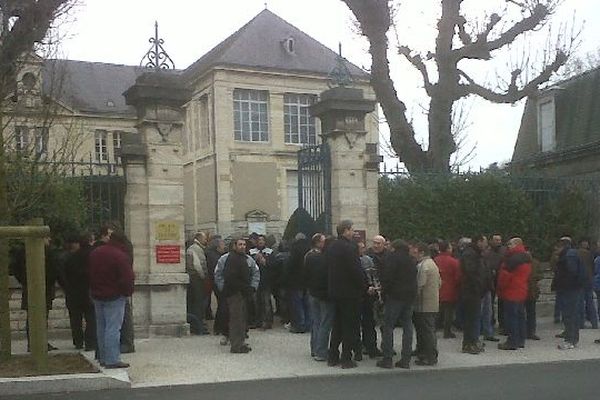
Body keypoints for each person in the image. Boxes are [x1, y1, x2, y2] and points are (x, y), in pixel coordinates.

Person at [89, 229, 135, 368]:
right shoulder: (120, 256)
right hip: (114, 295)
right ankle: (112, 359)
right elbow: (127, 277)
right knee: (113, 328)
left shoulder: (95, 253)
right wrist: (126, 292)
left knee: (101, 327)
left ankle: (103, 357)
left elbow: (89, 273)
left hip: (97, 294)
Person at [326, 220, 366, 369]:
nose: (353, 232)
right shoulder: (350, 247)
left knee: (337, 325)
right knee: (349, 325)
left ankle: (332, 356)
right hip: (349, 292)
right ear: (345, 231)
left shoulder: (332, 246)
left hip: (335, 290)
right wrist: (363, 285)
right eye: (351, 230)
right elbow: (355, 269)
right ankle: (346, 358)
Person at [11, 235, 61, 352]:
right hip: (45, 289)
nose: (49, 240)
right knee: (43, 317)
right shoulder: (48, 253)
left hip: (29, 287)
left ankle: (32, 343)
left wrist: (25, 281)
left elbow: (16, 269)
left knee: (31, 318)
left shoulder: (22, 252)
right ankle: (41, 343)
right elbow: (54, 271)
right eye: (47, 238)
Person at [376, 239, 417, 369]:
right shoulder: (411, 260)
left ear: (394, 248)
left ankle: (387, 359)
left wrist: (384, 292)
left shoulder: (392, 259)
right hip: (409, 296)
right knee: (408, 326)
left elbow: (387, 277)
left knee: (388, 326)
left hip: (395, 296)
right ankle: (406, 359)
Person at [214, 238, 260, 350]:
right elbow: (221, 275)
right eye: (240, 244)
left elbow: (255, 273)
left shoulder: (247, 259)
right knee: (233, 318)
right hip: (233, 292)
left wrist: (253, 288)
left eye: (244, 244)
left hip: (243, 293)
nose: (242, 246)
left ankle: (240, 341)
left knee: (241, 318)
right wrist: (222, 288)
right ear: (234, 246)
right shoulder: (227, 259)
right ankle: (235, 343)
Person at [496, 238, 532, 350]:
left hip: (511, 291)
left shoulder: (511, 259)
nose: (508, 246)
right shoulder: (526, 257)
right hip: (521, 290)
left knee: (511, 317)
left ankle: (512, 341)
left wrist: (499, 287)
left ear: (517, 244)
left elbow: (504, 276)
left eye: (510, 244)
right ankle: (521, 340)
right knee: (520, 316)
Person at [64, 232, 96, 351]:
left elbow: (64, 274)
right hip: (89, 290)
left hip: (73, 291)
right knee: (91, 318)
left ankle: (78, 342)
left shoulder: (70, 258)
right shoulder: (93, 255)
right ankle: (90, 342)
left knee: (75, 319)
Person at [554, 237, 586, 350]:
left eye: (556, 249)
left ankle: (570, 340)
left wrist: (563, 283)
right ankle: (572, 339)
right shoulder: (571, 253)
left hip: (570, 289)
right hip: (573, 288)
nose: (555, 251)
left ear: (561, 247)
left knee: (569, 315)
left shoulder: (568, 256)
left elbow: (571, 273)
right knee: (572, 315)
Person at [304, 233, 333, 361]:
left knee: (316, 321)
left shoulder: (308, 256)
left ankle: (314, 348)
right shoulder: (324, 258)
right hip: (323, 294)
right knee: (325, 323)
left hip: (312, 291)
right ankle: (321, 351)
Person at [412, 243, 441, 366]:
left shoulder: (423, 266)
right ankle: (424, 352)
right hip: (433, 301)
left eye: (415, 252)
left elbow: (419, 285)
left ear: (422, 253)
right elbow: (440, 282)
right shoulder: (433, 264)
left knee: (426, 331)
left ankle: (429, 356)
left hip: (423, 304)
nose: (413, 255)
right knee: (428, 329)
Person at [460, 235, 488, 355]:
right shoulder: (470, 254)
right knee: (471, 319)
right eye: (484, 242)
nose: (486, 245)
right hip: (471, 291)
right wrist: (478, 286)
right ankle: (468, 344)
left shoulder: (476, 254)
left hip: (475, 290)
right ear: (479, 242)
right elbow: (471, 272)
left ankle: (473, 341)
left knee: (474, 318)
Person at [357, 241, 382, 358]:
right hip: (360, 294)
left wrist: (375, 288)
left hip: (369, 294)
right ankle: (362, 346)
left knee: (369, 322)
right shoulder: (354, 260)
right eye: (360, 248)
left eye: (363, 247)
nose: (362, 249)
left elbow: (374, 275)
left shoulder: (368, 259)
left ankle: (370, 346)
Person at [434, 240, 461, 339]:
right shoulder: (454, 261)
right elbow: (458, 277)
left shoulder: (435, 260)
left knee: (438, 311)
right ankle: (447, 331)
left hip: (438, 289)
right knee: (449, 312)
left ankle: (434, 329)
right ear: (448, 249)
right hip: (451, 289)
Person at [185, 232, 209, 335]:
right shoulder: (196, 249)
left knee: (195, 303)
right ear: (199, 238)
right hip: (196, 279)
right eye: (204, 238)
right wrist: (203, 277)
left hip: (194, 279)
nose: (206, 240)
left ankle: (197, 326)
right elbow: (198, 265)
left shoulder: (193, 248)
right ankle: (199, 327)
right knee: (198, 304)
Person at [287, 233, 312, 333]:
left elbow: (290, 265)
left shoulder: (294, 249)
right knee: (307, 304)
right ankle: (308, 324)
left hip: (296, 281)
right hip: (307, 281)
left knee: (297, 304)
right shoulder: (309, 249)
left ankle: (300, 325)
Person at [250, 235, 275, 329]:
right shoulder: (252, 252)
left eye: (262, 240)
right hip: (255, 281)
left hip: (266, 280)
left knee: (266, 302)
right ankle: (258, 320)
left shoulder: (270, 252)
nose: (260, 242)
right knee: (256, 302)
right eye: (259, 240)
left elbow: (273, 265)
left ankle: (267, 321)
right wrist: (255, 260)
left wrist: (265, 261)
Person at [207, 236, 227, 335]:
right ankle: (219, 327)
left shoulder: (216, 255)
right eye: (223, 244)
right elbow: (217, 271)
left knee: (221, 305)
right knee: (222, 305)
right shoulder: (215, 256)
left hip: (217, 282)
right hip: (218, 283)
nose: (224, 246)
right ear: (217, 246)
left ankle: (219, 327)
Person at [484, 234, 505, 330]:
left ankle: (502, 323)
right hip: (490, 279)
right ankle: (491, 321)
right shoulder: (487, 252)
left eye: (499, 240)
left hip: (501, 279)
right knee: (490, 302)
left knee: (502, 302)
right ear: (491, 241)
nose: (498, 242)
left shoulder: (504, 251)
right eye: (496, 240)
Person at [577, 239, 598, 329]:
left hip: (580, 280)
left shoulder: (576, 253)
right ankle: (594, 323)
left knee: (581, 302)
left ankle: (581, 323)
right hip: (589, 279)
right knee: (590, 302)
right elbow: (593, 267)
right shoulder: (590, 254)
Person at [526, 251, 543, 341]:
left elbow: (541, 275)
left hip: (532, 290)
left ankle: (531, 332)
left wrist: (535, 277)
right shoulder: (521, 263)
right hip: (523, 290)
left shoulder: (535, 263)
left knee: (531, 312)